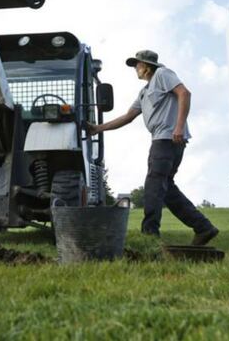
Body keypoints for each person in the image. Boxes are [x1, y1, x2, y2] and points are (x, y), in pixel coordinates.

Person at [87, 49, 218, 245]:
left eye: (137, 65)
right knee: (166, 189)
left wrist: (179, 126)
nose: (135, 69)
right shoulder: (144, 92)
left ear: (146, 67)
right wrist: (98, 128)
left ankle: (149, 236)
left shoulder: (162, 74)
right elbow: (127, 117)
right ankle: (204, 228)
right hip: (162, 140)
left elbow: (184, 93)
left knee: (154, 186)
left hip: (168, 140)